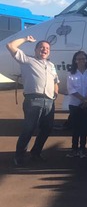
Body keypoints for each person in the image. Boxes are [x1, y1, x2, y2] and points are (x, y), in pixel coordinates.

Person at [6, 35, 60, 166]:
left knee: (47, 128)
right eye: (41, 47)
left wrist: (55, 94)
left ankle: (36, 153)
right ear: (36, 50)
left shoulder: (51, 65)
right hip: (33, 100)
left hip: (49, 101)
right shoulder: (27, 60)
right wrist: (25, 39)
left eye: (47, 48)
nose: (44, 50)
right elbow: (10, 46)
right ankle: (19, 156)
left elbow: (55, 81)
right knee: (28, 129)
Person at [66, 50, 87, 158]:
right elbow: (70, 89)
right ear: (75, 61)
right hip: (75, 104)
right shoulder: (70, 73)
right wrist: (83, 99)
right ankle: (74, 149)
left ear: (86, 60)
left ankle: (82, 149)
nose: (81, 61)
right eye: (79, 59)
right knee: (76, 127)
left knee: (84, 128)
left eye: (83, 58)